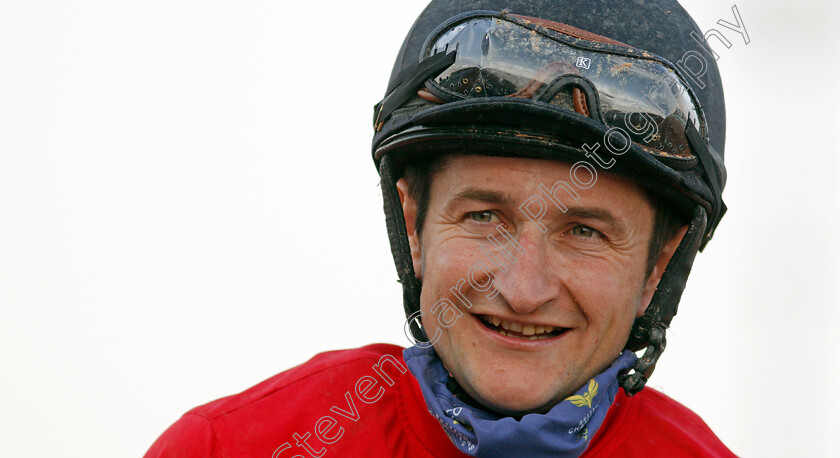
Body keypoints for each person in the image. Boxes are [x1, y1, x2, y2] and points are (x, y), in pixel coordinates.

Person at [145, 0, 735, 456]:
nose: (523, 289)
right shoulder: (228, 449)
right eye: (484, 217)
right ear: (413, 225)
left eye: (584, 232)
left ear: (656, 269)